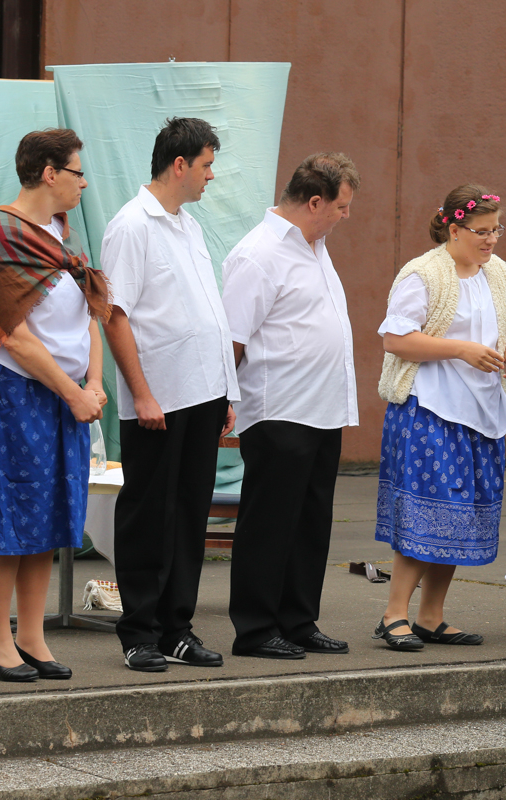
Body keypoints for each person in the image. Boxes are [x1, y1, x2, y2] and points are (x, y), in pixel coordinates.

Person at [0, 128, 110, 682]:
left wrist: (93, 381)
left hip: (66, 396)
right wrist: (73, 393)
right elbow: (15, 335)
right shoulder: (0, 233)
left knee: (48, 515)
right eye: (77, 172)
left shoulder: (62, 236)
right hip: (15, 391)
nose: (83, 183)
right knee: (9, 514)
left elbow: (89, 314)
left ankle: (32, 636)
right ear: (50, 173)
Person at [101, 118, 238, 672]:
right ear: (179, 165)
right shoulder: (131, 226)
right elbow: (115, 314)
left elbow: (207, 313)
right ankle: (139, 633)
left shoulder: (189, 226)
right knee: (148, 515)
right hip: (158, 398)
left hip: (203, 394)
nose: (211, 175)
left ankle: (176, 628)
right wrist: (141, 394)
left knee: (188, 514)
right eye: (206, 164)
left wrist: (226, 391)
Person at [373, 185, 506, 651]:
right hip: (429, 409)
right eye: (481, 231)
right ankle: (393, 614)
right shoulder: (423, 274)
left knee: (459, 514)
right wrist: (460, 349)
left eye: (496, 229)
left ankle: (431, 616)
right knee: (427, 510)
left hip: (479, 411)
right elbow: (396, 339)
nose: (491, 239)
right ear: (454, 229)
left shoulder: (498, 272)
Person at [221, 153, 360, 659]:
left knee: (310, 522)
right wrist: (225, 400)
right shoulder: (258, 254)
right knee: (270, 522)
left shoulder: (314, 245)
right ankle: (256, 629)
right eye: (341, 207)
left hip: (322, 406)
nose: (346, 216)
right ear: (315, 202)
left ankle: (298, 620)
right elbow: (233, 339)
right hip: (279, 408)